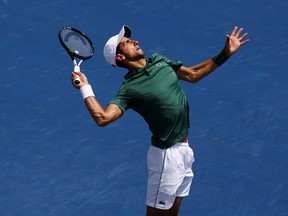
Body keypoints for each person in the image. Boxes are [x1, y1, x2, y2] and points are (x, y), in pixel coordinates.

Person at [71, 25, 249, 216]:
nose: (135, 41)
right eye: (127, 43)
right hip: (166, 157)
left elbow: (193, 74)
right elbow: (103, 118)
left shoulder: (159, 61)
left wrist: (225, 53)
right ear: (120, 57)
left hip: (185, 152)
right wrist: (85, 87)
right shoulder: (129, 89)